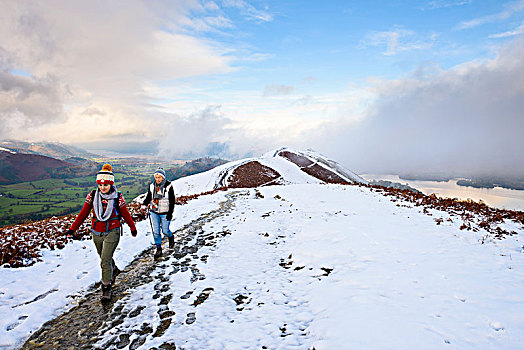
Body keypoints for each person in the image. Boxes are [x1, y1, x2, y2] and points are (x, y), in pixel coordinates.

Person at [65, 164, 137, 301]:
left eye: (106, 185)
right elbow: (83, 213)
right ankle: (114, 270)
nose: (103, 187)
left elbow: (126, 214)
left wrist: (132, 228)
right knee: (105, 258)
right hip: (96, 232)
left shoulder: (118, 197)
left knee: (104, 261)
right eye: (100, 184)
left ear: (111, 184)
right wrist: (72, 229)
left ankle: (106, 288)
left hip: (112, 231)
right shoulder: (92, 196)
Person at [142, 167, 175, 258]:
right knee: (156, 232)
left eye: (159, 177)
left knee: (165, 231)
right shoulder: (152, 186)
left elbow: (172, 201)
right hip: (154, 211)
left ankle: (170, 236)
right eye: (156, 177)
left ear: (163, 177)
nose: (157, 179)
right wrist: (145, 202)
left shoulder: (169, 186)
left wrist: (170, 213)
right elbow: (149, 196)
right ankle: (158, 248)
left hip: (165, 212)